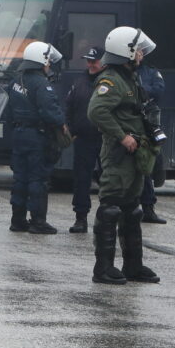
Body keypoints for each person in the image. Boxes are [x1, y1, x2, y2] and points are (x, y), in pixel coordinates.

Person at [87, 27, 162, 285]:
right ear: (126, 51)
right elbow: (96, 112)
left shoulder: (130, 77)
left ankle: (133, 265)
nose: (141, 53)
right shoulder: (112, 80)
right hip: (120, 153)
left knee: (132, 209)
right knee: (110, 207)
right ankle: (103, 268)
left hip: (135, 153)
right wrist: (122, 136)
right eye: (138, 49)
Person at [7, 41, 66, 235]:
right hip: (37, 136)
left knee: (20, 178)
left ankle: (17, 219)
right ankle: (38, 221)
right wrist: (62, 124)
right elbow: (50, 111)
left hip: (19, 134)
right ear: (41, 61)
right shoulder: (42, 84)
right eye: (48, 61)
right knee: (38, 179)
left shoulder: (16, 80)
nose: (49, 65)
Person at [64, 47, 105, 233]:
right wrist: (71, 130)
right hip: (84, 139)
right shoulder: (79, 82)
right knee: (81, 179)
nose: (90, 64)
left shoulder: (109, 82)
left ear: (103, 62)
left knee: (109, 180)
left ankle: (108, 217)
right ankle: (80, 218)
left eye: (94, 61)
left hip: (106, 139)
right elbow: (70, 107)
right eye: (88, 60)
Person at [136, 62, 167, 224]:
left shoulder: (151, 72)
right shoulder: (120, 71)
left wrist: (143, 90)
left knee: (147, 166)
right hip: (129, 125)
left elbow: (159, 90)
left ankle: (148, 208)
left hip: (147, 124)